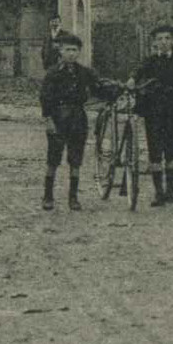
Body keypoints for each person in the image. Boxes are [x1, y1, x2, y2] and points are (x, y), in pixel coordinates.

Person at [40, 31, 111, 211]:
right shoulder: (53, 73)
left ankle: (73, 197)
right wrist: (49, 120)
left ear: (79, 52)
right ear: (60, 52)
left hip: (78, 118)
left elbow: (98, 87)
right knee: (53, 158)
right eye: (67, 50)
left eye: (75, 50)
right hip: (58, 117)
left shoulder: (84, 72)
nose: (71, 53)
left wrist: (112, 92)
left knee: (76, 158)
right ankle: (48, 196)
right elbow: (45, 98)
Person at [132, 25, 173, 206]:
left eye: (167, 38)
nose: (163, 42)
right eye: (160, 39)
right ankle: (158, 192)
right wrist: (131, 80)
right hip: (153, 110)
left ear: (172, 41)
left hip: (172, 110)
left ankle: (171, 190)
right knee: (155, 149)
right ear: (154, 42)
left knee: (170, 148)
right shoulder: (150, 61)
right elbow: (136, 74)